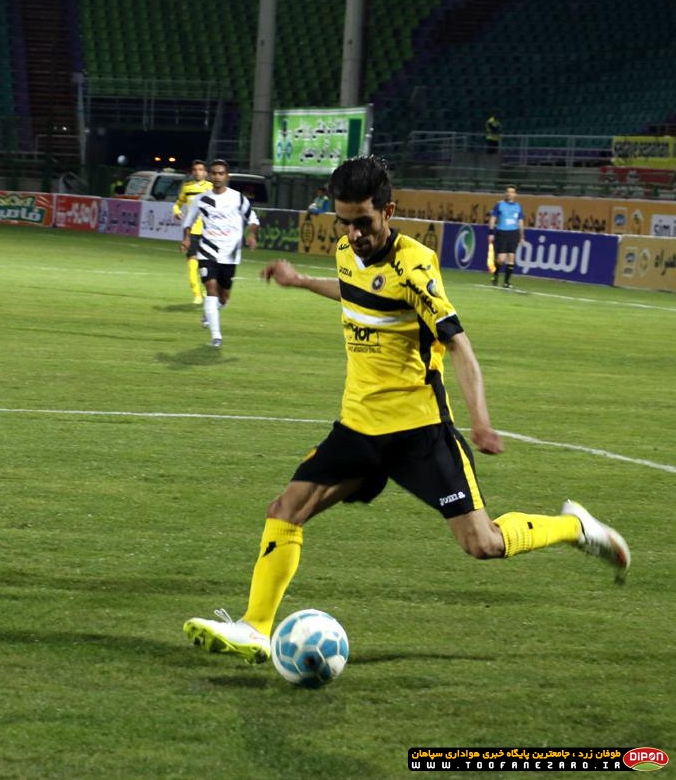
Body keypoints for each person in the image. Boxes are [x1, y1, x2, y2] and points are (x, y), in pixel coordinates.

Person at [183, 156, 630, 664]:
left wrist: (481, 422)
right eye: (344, 222)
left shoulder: (415, 266)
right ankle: (255, 627)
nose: (353, 234)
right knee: (286, 510)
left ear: (388, 211)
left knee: (483, 544)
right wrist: (302, 280)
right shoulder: (346, 251)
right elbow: (356, 291)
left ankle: (575, 528)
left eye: (363, 222)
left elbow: (459, 345)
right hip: (357, 427)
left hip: (419, 432)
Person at [181, 159, 259, 348]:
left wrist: (251, 235)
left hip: (230, 254)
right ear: (210, 176)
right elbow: (188, 222)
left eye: (221, 173)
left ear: (227, 176)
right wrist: (186, 238)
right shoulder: (201, 199)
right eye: (214, 173)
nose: (217, 177)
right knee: (211, 289)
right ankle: (216, 336)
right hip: (207, 250)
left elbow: (253, 220)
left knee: (223, 297)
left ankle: (210, 312)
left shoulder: (238, 198)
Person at [172, 159, 212, 304]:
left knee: (206, 264)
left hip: (209, 232)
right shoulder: (187, 187)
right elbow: (177, 204)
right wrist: (177, 212)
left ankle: (207, 289)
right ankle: (197, 294)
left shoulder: (211, 188)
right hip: (192, 231)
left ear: (205, 173)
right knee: (192, 263)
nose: (197, 172)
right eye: (195, 170)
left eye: (200, 169)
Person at [488, 185, 525, 288]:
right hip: (502, 233)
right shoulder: (499, 205)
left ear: (515, 194)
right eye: (508, 192)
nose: (510, 194)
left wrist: (522, 236)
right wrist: (491, 233)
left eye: (512, 192)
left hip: (514, 233)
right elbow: (492, 219)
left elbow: (520, 222)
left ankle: (506, 282)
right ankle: (495, 274)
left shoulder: (518, 206)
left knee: (511, 257)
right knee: (501, 259)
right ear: (505, 193)